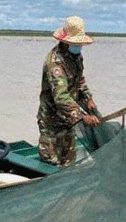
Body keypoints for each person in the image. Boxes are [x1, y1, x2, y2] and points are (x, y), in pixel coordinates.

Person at [37, 16, 101, 167]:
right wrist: (82, 117)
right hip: (51, 123)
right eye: (76, 43)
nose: (79, 47)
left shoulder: (76, 57)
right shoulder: (55, 62)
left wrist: (88, 98)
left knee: (69, 163)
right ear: (65, 42)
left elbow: (79, 80)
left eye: (80, 44)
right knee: (51, 165)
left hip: (68, 121)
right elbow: (61, 97)